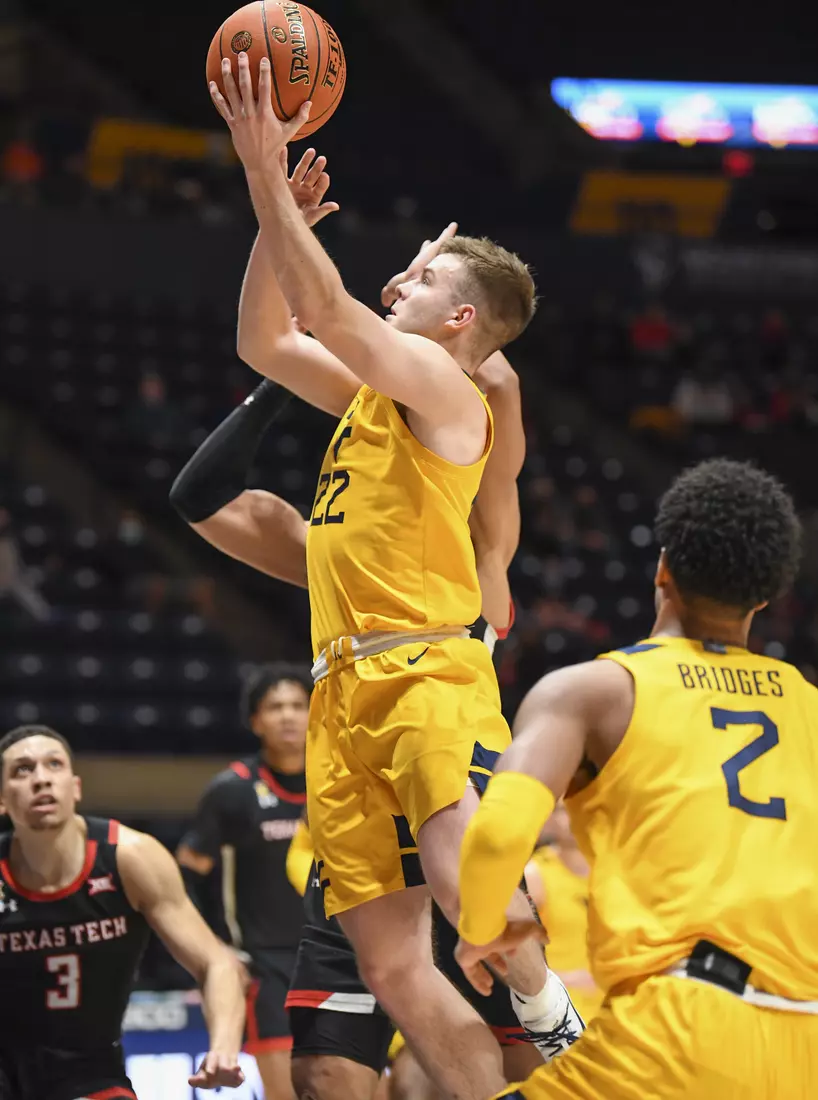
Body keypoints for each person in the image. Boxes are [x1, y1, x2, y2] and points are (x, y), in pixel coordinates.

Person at [208, 55, 581, 1100]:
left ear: (461, 321)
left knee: (471, 895)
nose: (400, 280)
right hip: (341, 689)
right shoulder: (375, 395)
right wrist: (277, 228)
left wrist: (263, 170)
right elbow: (264, 338)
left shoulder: (448, 391)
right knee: (388, 964)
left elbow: (328, 312)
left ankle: (566, 1040)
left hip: (424, 673)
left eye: (422, 280)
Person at [455, 458, 818, 1099]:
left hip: (679, 1029)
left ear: (663, 568)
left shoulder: (595, 690)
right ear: (764, 597)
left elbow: (496, 836)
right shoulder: (810, 706)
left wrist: (483, 927)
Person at [0, 723, 246, 1100]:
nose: (41, 779)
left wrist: (223, 1049)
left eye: (54, 764)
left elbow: (217, 963)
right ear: (2, 799)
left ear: (75, 787)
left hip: (92, 1072)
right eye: (22, 769)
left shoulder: (130, 857)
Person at [177, 664, 310, 1100]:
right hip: (263, 965)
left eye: (298, 705)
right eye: (275, 707)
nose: (288, 716)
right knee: (285, 1092)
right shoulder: (231, 790)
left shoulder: (340, 783)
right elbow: (184, 879)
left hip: (334, 956)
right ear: (255, 721)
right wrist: (213, 949)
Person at [524, 805, 603, 1025]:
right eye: (563, 809)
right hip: (565, 1017)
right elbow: (510, 957)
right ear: (549, 818)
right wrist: (568, 979)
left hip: (621, 1013)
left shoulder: (620, 871)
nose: (575, 816)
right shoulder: (535, 876)